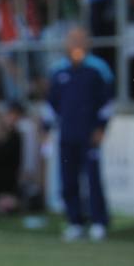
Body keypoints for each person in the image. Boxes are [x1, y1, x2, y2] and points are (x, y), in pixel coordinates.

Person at [45, 27, 114, 241]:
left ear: (87, 42)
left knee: (93, 178)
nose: (75, 43)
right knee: (68, 179)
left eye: (79, 39)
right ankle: (74, 221)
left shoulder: (98, 69)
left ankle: (98, 221)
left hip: (89, 134)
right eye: (71, 39)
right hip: (67, 135)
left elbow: (108, 102)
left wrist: (101, 127)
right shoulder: (58, 71)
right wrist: (46, 130)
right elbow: (51, 104)